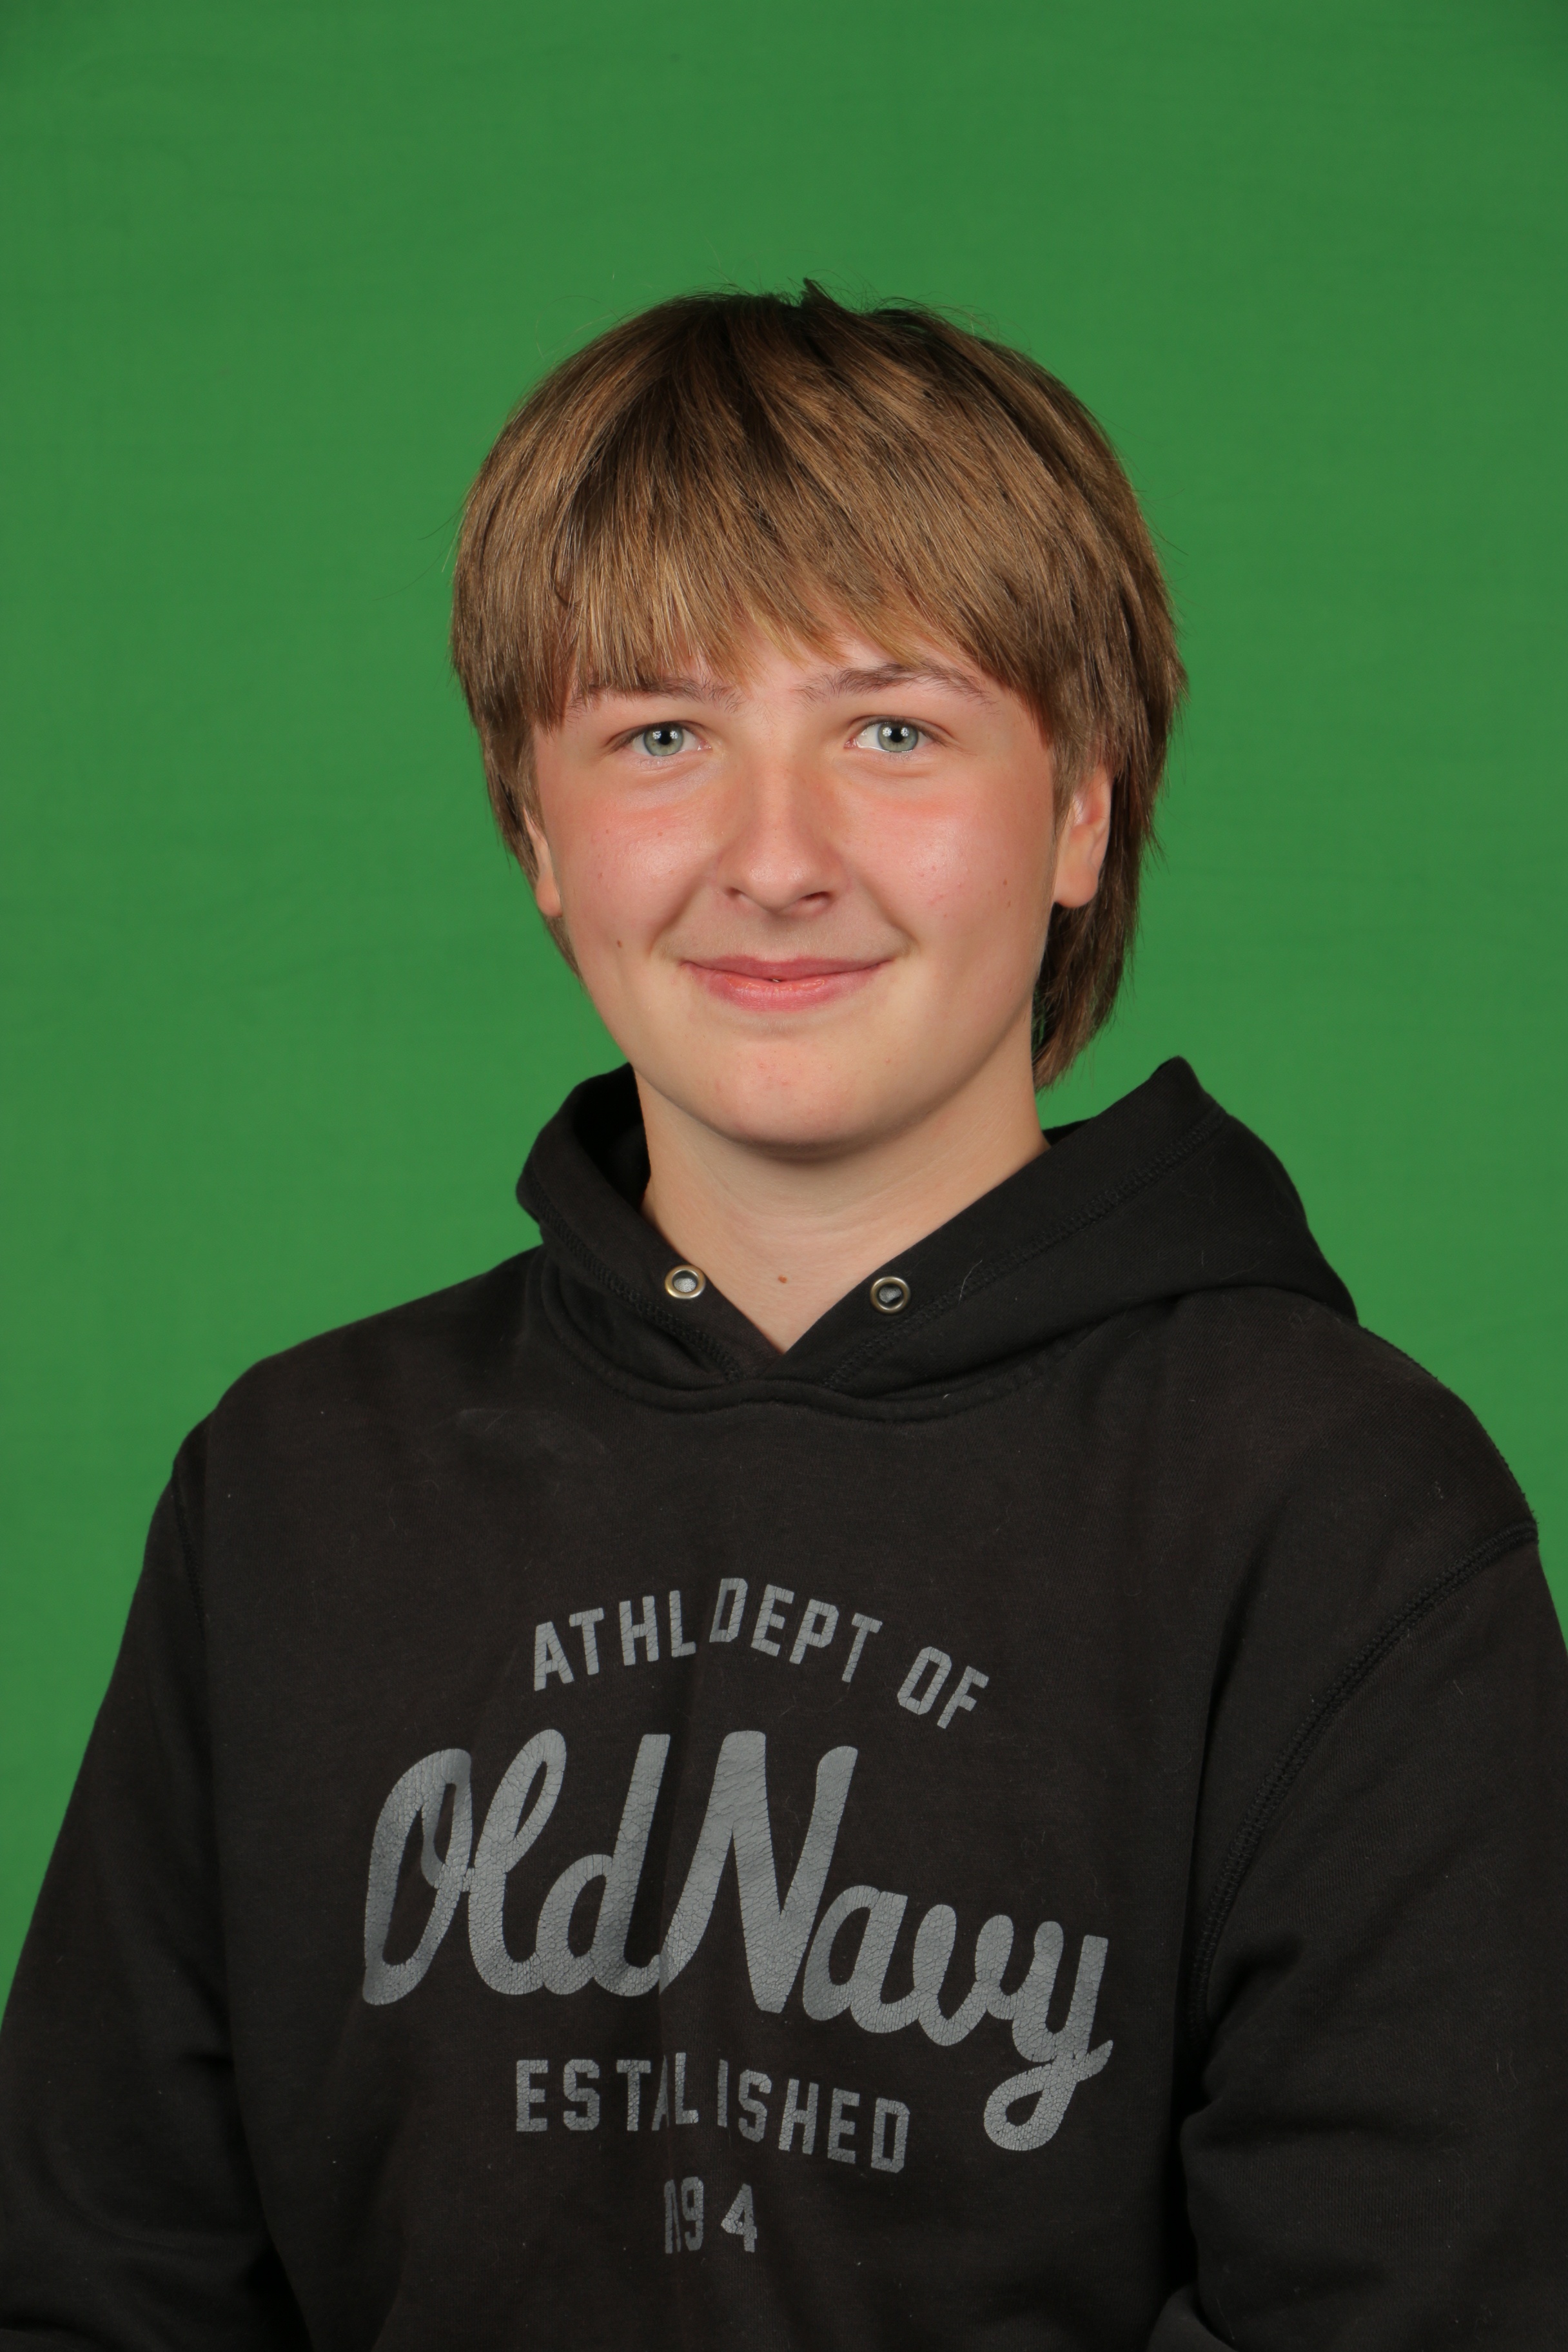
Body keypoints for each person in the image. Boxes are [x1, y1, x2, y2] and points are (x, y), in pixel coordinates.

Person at [1, 286, 1563, 2351]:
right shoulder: (292, 1492)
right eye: (661, 736)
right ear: (537, 827)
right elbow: (98, 2290)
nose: (774, 861)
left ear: (1081, 808)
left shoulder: (1343, 1516)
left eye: (892, 731)